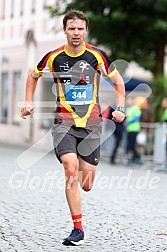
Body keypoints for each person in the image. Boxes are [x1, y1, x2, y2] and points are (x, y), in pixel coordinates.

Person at [20, 10, 125, 246]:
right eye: (71, 28)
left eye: (80, 28)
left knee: (86, 184)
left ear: (85, 30)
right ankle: (78, 228)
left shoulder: (97, 56)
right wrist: (28, 101)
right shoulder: (53, 57)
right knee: (70, 169)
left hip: (91, 125)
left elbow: (118, 82)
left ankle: (80, 165)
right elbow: (32, 75)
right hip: (63, 123)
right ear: (65, 30)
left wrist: (120, 108)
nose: (76, 33)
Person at [125, 97, 142, 163]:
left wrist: (128, 122)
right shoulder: (129, 109)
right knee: (129, 144)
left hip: (134, 129)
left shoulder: (136, 109)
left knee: (131, 144)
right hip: (129, 129)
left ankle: (137, 157)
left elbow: (136, 118)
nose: (128, 102)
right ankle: (134, 157)